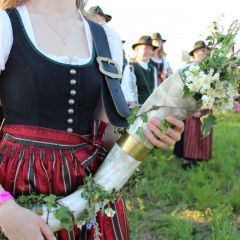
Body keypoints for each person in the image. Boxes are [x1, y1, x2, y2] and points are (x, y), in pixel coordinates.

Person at [0, 1, 184, 240]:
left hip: (88, 191)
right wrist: (4, 207)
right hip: (18, 185)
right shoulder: (5, 25)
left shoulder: (105, 36)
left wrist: (148, 133)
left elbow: (104, 132)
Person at [174, 40, 212, 169]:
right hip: (191, 105)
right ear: (195, 54)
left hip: (206, 105)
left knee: (202, 131)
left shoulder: (210, 69)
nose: (205, 53)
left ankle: (199, 157)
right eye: (202, 51)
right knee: (191, 131)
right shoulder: (190, 68)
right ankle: (187, 160)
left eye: (207, 51)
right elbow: (184, 87)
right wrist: (193, 108)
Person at [121, 35, 158, 106]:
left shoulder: (153, 68)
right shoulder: (131, 67)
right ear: (137, 50)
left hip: (150, 108)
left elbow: (155, 89)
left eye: (150, 49)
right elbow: (126, 89)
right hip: (137, 108)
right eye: (145, 48)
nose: (148, 51)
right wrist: (135, 108)